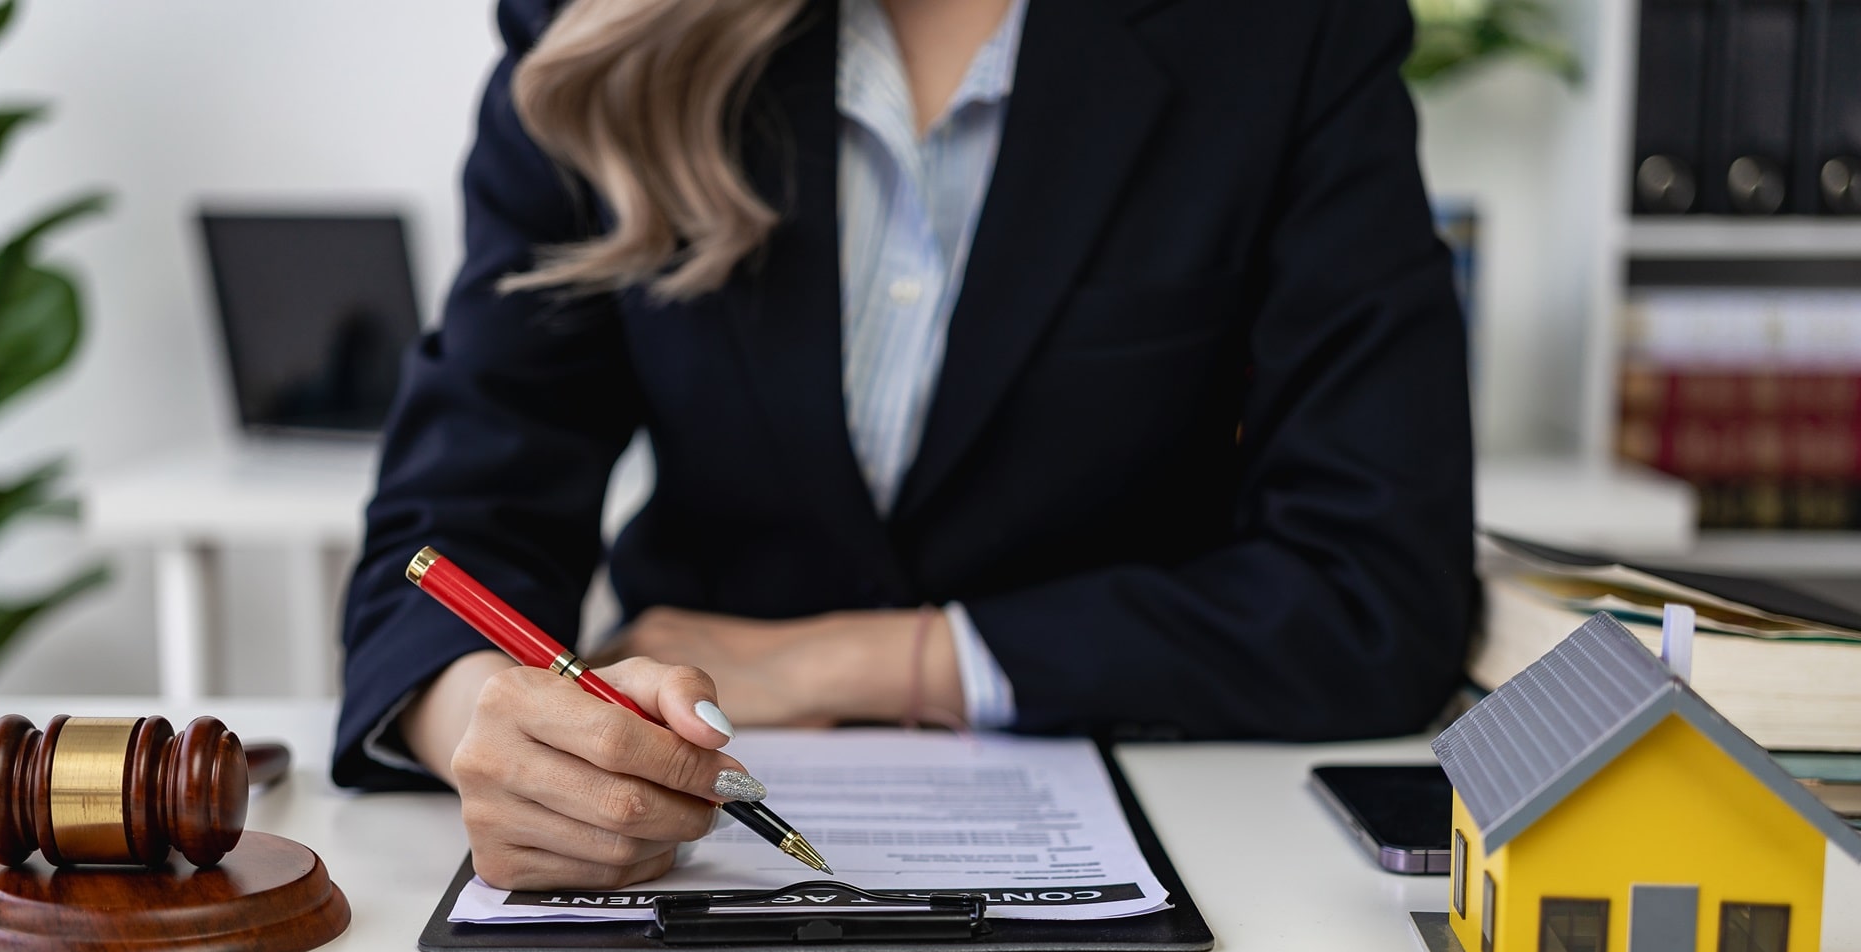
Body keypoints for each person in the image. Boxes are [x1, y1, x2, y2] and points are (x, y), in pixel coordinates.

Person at [333, 0, 1476, 891]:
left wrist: (875, 660)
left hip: (1168, 842)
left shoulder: (1288, 34)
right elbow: (451, 530)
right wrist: (483, 716)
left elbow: (1375, 587)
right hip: (690, 857)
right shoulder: (600, 24)